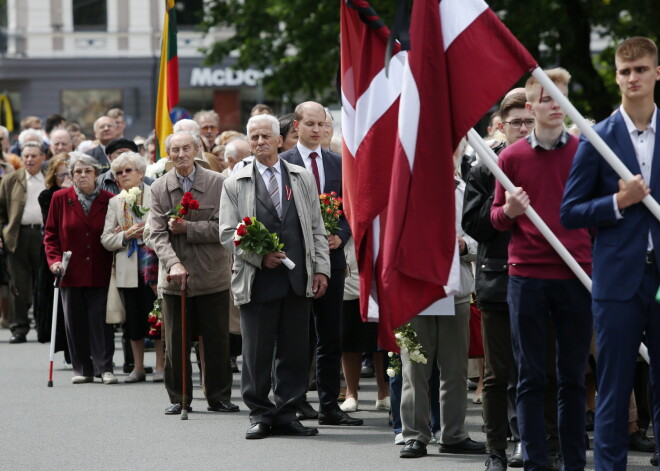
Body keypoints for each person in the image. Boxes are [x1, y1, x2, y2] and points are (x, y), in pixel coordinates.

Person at [560, 36, 660, 470]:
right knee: (615, 387)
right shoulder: (598, 139)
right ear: (617, 77)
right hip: (618, 281)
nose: (633, 77)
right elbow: (570, 212)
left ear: (657, 72)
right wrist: (617, 202)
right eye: (625, 71)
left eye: (641, 69)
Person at [490, 68, 593, 471]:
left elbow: (599, 216)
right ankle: (535, 461)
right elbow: (496, 217)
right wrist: (509, 211)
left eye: (561, 96)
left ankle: (573, 462)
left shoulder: (586, 151)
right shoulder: (509, 157)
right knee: (531, 376)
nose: (555, 104)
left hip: (576, 276)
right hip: (527, 277)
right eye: (547, 98)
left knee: (572, 376)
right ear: (531, 107)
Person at [219, 113, 331, 439]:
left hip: (297, 280)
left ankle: (288, 412)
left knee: (295, 351)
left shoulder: (301, 177)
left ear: (279, 140)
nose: (259, 142)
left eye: (265, 136)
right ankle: (260, 414)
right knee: (256, 353)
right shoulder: (235, 183)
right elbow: (228, 234)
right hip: (257, 279)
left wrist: (321, 268)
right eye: (253, 137)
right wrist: (259, 255)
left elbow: (316, 228)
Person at [399, 142, 485, 459]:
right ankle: (414, 436)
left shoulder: (466, 187)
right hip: (417, 293)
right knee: (415, 369)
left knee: (455, 369)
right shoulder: (406, 191)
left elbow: (480, 238)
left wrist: (463, 246)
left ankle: (453, 434)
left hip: (456, 290)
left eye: (450, 150)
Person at [462, 90, 534, 469]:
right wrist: (505, 211)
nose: (523, 127)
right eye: (516, 121)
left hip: (541, 277)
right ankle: (496, 450)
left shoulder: (548, 161)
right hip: (498, 279)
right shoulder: (484, 168)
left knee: (537, 369)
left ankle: (535, 441)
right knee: (497, 373)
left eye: (529, 121)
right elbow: (472, 224)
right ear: (502, 126)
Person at [281, 101, 361, 426]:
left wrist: (340, 236)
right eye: (310, 124)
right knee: (296, 335)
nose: (316, 130)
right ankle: (296, 402)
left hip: (333, 258)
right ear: (296, 127)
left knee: (331, 335)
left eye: (322, 124)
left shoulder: (339, 164)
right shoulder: (283, 163)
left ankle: (330, 405)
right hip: (296, 262)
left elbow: (351, 208)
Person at [149, 131, 237, 415]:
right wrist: (173, 263)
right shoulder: (160, 187)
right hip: (176, 281)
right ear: (169, 154)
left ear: (197, 150)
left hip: (212, 275)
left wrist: (190, 229)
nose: (180, 154)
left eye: (186, 148)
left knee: (216, 341)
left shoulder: (218, 183)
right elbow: (156, 234)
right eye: (175, 150)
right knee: (175, 343)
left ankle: (219, 396)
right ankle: (180, 397)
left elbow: (226, 228)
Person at [44, 152, 117, 384]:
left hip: (101, 268)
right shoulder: (60, 198)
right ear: (72, 175)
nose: (83, 175)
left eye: (88, 171)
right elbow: (51, 235)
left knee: (100, 320)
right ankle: (82, 368)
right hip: (70, 270)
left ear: (96, 174)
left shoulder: (108, 199)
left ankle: (104, 367)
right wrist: (54, 260)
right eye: (78, 171)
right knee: (74, 322)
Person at [101, 151, 164, 383]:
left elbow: (162, 224)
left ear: (141, 173)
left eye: (129, 170)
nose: (124, 175)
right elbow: (106, 239)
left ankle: (160, 365)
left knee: (156, 316)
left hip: (153, 265)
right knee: (133, 320)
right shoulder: (114, 201)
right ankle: (138, 367)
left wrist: (145, 230)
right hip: (127, 266)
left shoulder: (155, 193)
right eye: (119, 172)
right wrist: (125, 235)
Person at [0, 141, 47, 343]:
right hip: (17, 236)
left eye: (34, 155)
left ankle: (43, 326)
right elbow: (1, 211)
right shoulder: (11, 180)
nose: (29, 159)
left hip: (44, 236)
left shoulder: (49, 179)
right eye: (26, 156)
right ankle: (19, 328)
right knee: (18, 285)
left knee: (42, 284)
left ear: (42, 157)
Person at [35, 155, 72, 360]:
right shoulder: (47, 196)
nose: (66, 177)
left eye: (69, 173)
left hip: (79, 251)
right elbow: (53, 222)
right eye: (62, 174)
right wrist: (65, 192)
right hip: (56, 252)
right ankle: (65, 348)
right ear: (54, 176)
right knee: (58, 304)